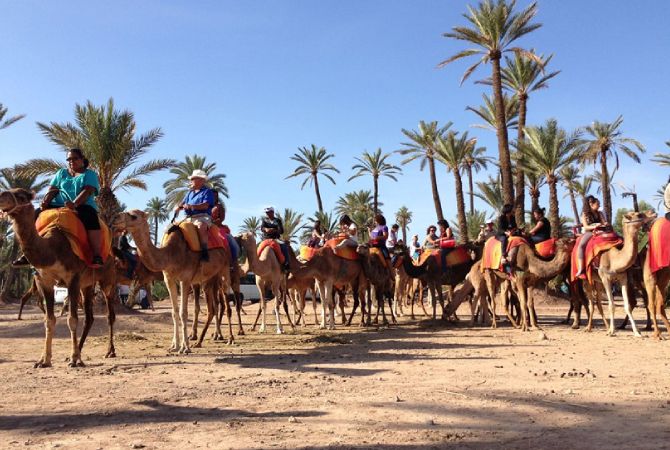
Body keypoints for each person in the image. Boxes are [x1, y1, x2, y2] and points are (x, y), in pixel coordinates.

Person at [13, 148, 104, 268]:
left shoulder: (90, 174)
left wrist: (75, 204)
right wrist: (45, 202)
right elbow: (53, 190)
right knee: (33, 216)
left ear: (82, 159)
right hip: (57, 205)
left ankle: (97, 254)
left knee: (90, 217)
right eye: (69, 159)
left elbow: (88, 191)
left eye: (75, 158)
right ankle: (27, 254)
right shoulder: (61, 173)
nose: (71, 161)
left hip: (82, 205)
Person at [174, 169, 215, 262]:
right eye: (192, 179)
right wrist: (178, 207)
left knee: (201, 226)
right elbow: (182, 204)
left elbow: (206, 205)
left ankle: (204, 251)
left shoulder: (207, 192)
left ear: (201, 180)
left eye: (193, 179)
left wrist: (192, 206)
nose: (191, 181)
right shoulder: (189, 193)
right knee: (172, 228)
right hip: (187, 218)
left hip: (202, 216)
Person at [575, 195, 609, 277]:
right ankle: (581, 268)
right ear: (589, 204)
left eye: (598, 204)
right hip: (590, 232)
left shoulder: (599, 213)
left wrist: (605, 224)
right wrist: (595, 226)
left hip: (601, 231)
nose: (599, 206)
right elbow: (586, 226)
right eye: (589, 202)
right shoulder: (585, 214)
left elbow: (604, 222)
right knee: (581, 246)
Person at [260, 206, 290, 272]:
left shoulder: (277, 220)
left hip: (275, 239)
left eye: (268, 212)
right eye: (266, 213)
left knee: (284, 247)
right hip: (266, 239)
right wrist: (266, 229)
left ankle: (286, 265)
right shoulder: (264, 220)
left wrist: (274, 230)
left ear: (272, 212)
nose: (267, 214)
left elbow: (281, 231)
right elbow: (262, 228)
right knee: (258, 249)